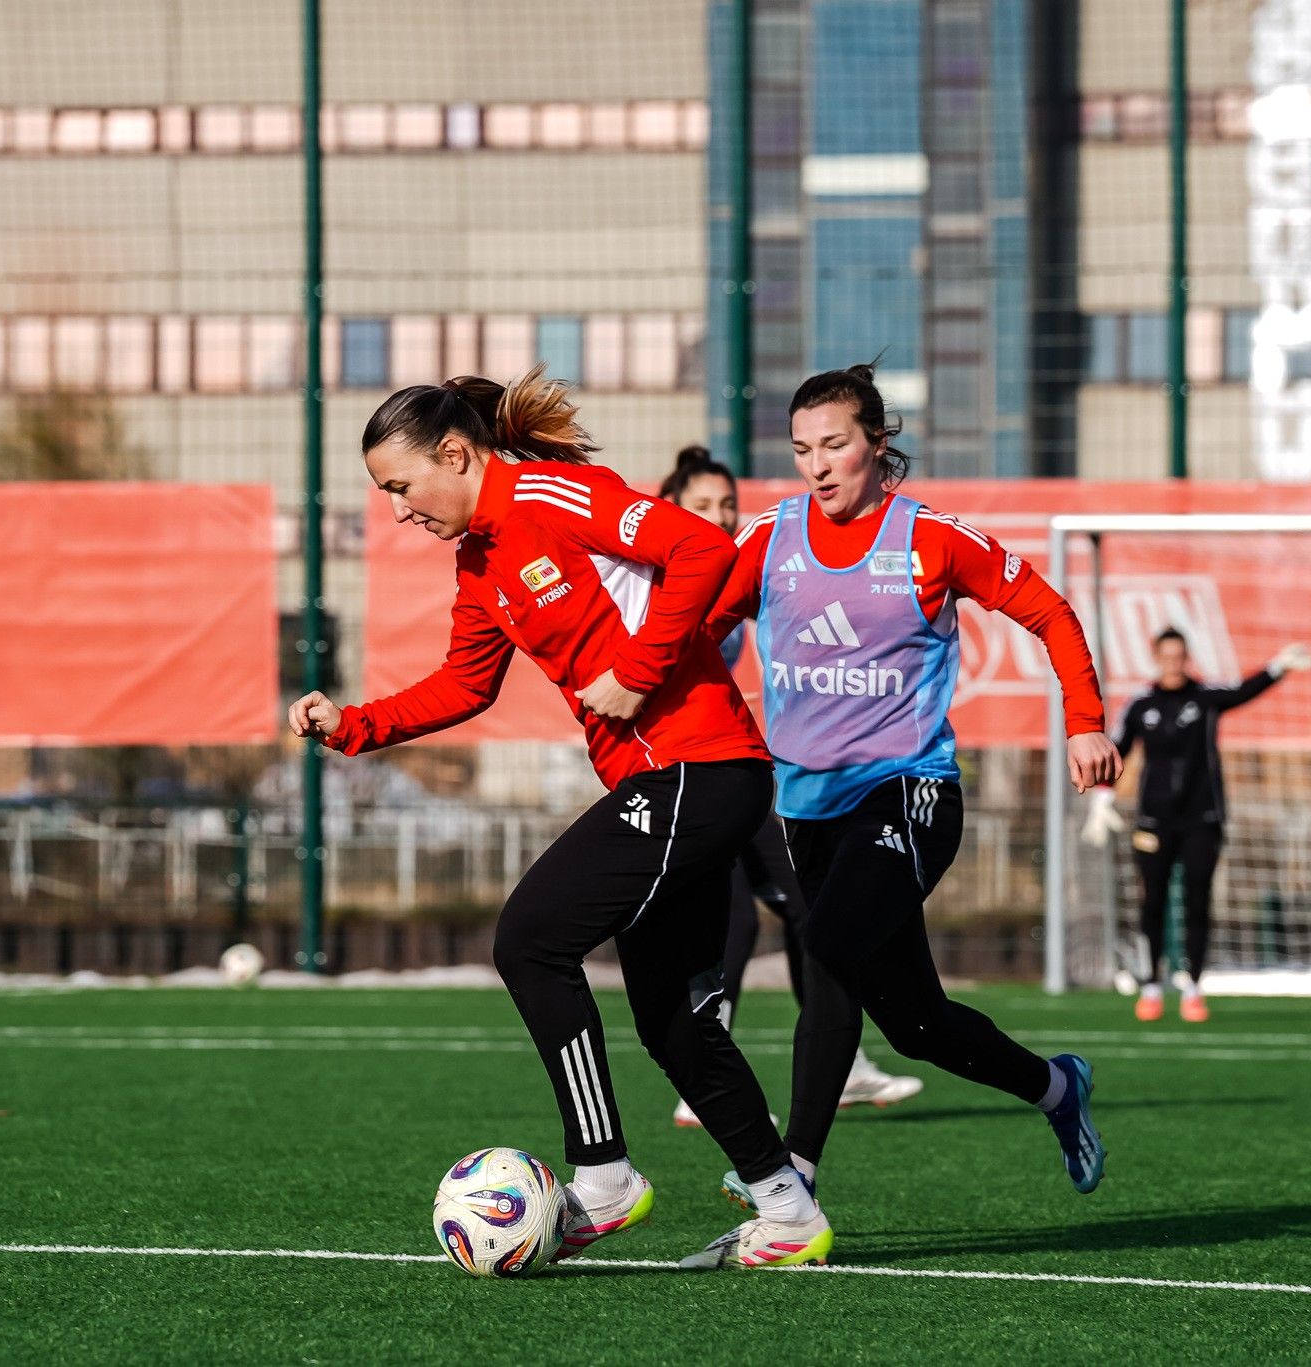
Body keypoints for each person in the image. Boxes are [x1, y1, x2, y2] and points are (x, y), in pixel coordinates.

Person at [288, 368, 831, 1271]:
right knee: (671, 1021)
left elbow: (704, 549)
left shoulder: (552, 493)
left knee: (530, 938)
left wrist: (640, 668)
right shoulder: (482, 561)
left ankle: (604, 1175)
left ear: (456, 455)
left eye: (400, 488)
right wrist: (355, 725)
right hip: (664, 781)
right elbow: (467, 684)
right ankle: (786, 1210)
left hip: (701, 767)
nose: (398, 513)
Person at [703, 362, 1121, 1211]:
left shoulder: (929, 539)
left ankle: (794, 1175)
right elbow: (698, 632)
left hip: (909, 795)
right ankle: (1055, 1086)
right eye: (801, 450)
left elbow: (1048, 610)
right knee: (916, 1022)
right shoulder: (768, 539)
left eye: (835, 445)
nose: (818, 465)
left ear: (876, 443)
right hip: (804, 809)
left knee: (823, 950)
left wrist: (1085, 719)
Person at [659, 444, 923, 1129]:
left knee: (810, 909)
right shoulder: (667, 581)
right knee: (741, 919)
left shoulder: (730, 570)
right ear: (669, 512)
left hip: (743, 771)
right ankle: (703, 1072)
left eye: (726, 506)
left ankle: (843, 1065)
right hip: (695, 774)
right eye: (701, 507)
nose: (719, 518)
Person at [1082, 628, 1311, 1022]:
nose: (1173, 663)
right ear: (1157, 658)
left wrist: (1279, 667)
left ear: (1186, 658)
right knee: (1151, 901)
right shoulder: (1141, 704)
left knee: (1197, 900)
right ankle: (1150, 986)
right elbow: (1115, 748)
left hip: (1202, 820)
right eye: (1167, 656)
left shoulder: (1205, 698)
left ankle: (1192, 987)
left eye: (1179, 656)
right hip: (1153, 821)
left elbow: (1243, 690)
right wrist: (1103, 798)